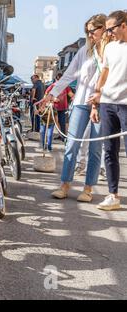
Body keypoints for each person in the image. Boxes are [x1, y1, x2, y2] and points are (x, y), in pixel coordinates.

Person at [37, 14, 109, 203]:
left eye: (93, 30)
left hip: (101, 104)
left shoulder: (111, 50)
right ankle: (65, 185)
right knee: (71, 144)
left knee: (95, 148)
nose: (90, 34)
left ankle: (88, 188)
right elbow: (69, 75)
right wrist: (52, 93)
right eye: (88, 31)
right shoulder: (84, 50)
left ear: (103, 28)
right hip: (80, 103)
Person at [88, 10, 127, 211]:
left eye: (111, 29)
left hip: (126, 105)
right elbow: (104, 73)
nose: (109, 33)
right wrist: (96, 102)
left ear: (124, 25)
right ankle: (113, 196)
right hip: (107, 104)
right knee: (109, 151)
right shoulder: (111, 47)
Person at [45, 73, 75, 138]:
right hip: (54, 108)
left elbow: (71, 95)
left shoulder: (65, 86)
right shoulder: (52, 86)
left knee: (63, 122)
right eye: (58, 80)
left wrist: (74, 98)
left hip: (64, 108)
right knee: (56, 122)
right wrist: (53, 99)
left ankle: (63, 137)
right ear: (56, 79)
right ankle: (61, 135)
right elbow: (46, 95)